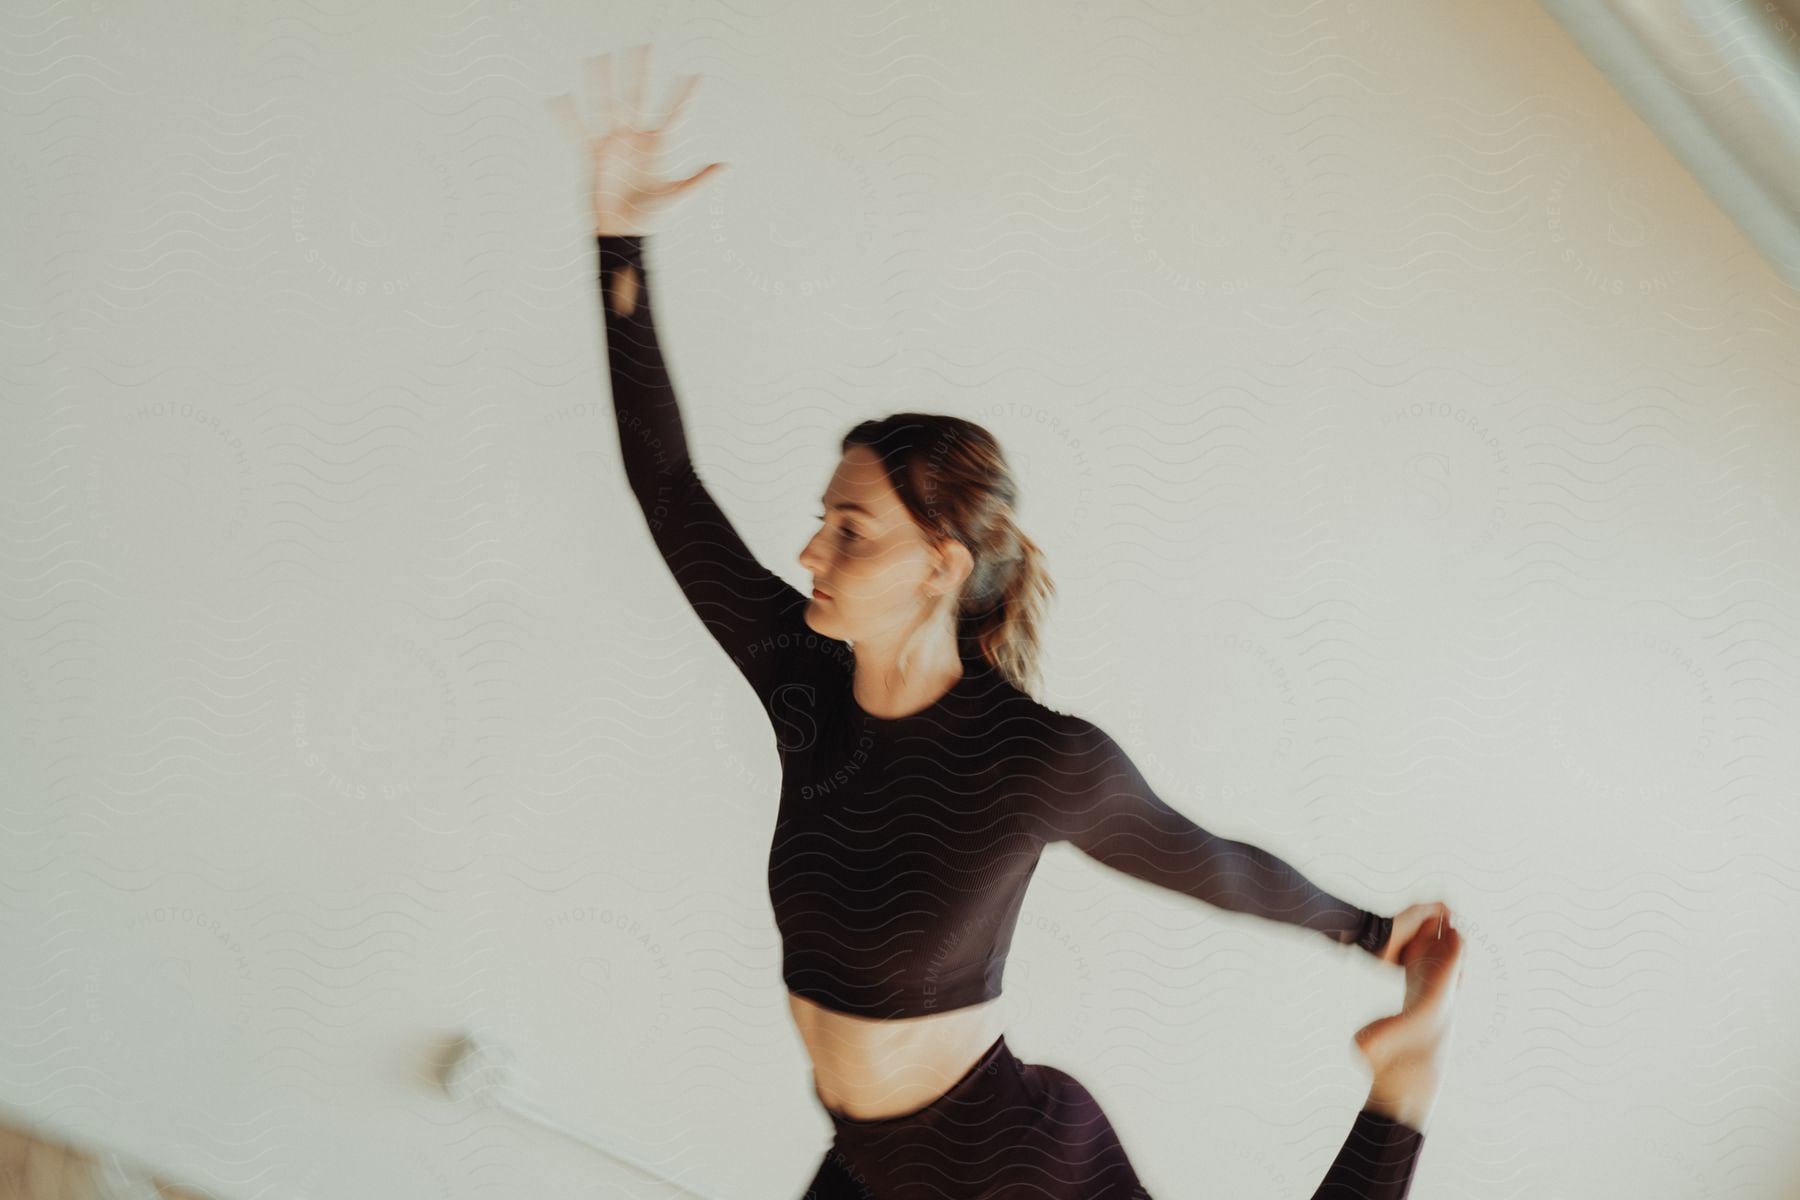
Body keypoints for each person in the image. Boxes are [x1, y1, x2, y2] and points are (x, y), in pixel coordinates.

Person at [547, 44, 1464, 1200]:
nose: (809, 553)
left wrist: (1369, 929)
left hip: (1007, 1170)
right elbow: (668, 489)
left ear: (940, 563)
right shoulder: (801, 680)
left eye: (850, 530)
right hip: (874, 1162)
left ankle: (1402, 1091)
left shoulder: (1030, 761)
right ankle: (1405, 1088)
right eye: (822, 521)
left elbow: (1204, 859)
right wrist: (618, 247)